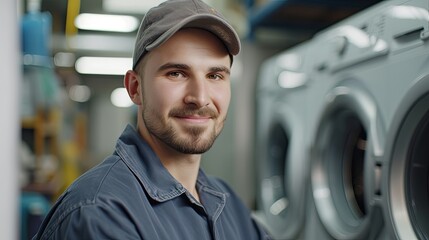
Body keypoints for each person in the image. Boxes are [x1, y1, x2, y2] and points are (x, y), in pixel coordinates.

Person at [33, 0, 271, 239]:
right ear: (135, 88)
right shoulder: (100, 211)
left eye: (215, 75)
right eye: (176, 73)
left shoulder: (225, 201)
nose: (199, 98)